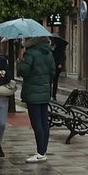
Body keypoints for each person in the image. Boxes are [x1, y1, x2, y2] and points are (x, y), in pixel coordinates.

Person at [17, 35, 58, 163]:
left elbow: (24, 71)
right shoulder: (48, 52)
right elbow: (53, 71)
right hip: (44, 92)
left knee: (36, 123)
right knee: (44, 122)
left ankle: (40, 152)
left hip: (33, 92)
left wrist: (19, 63)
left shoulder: (31, 53)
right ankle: (43, 150)